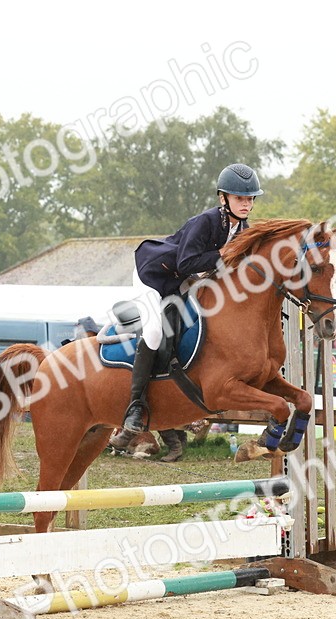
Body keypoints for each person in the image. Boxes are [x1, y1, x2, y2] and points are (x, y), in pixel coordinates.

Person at [108, 163, 262, 450]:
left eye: (250, 198)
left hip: (182, 278)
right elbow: (187, 261)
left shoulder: (242, 229)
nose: (246, 204)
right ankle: (135, 407)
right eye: (240, 198)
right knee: (154, 331)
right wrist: (223, 253)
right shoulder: (205, 222)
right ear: (223, 198)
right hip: (153, 276)